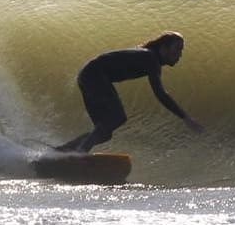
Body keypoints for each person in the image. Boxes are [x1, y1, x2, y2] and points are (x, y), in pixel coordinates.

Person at [56, 31, 203, 153]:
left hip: (88, 75)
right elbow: (160, 93)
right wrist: (185, 117)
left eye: (181, 50)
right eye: (177, 49)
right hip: (94, 75)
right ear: (164, 48)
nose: (180, 54)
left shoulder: (149, 57)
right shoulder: (151, 58)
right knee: (117, 117)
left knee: (104, 132)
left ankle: (63, 151)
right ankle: (81, 152)